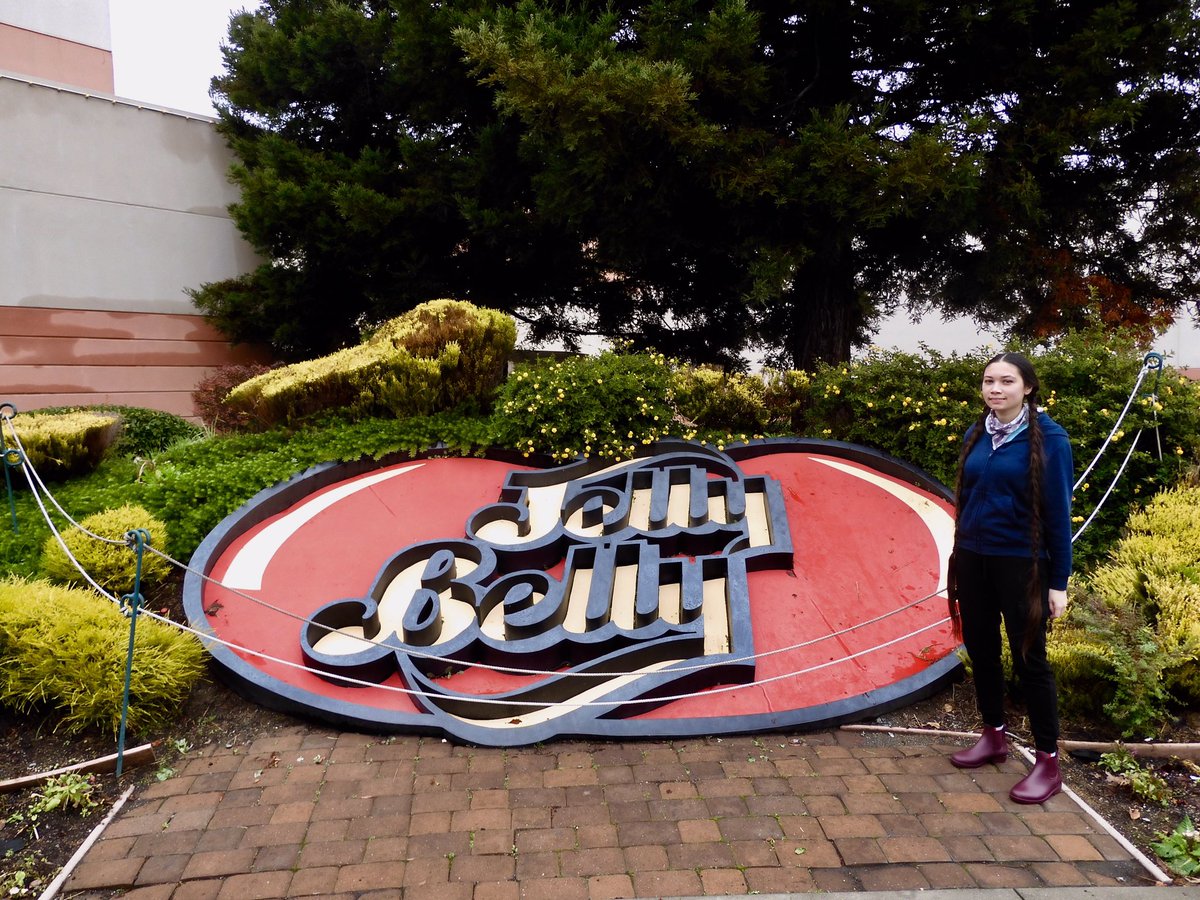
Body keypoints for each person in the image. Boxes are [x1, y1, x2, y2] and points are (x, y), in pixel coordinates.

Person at [946, 351, 1073, 804]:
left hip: (1022, 564)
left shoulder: (1050, 441)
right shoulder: (978, 432)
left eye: (1006, 381)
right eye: (988, 381)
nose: (995, 389)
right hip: (974, 559)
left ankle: (1047, 762)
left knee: (1029, 660)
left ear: (1028, 387)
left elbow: (1059, 515)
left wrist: (1059, 581)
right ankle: (994, 736)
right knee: (981, 649)